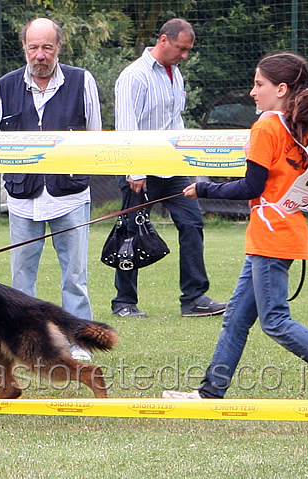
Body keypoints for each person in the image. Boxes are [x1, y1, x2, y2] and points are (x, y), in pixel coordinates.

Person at [163, 52, 308, 400]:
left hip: (271, 237)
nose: (252, 92)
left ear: (281, 88)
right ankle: (210, 393)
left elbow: (251, 187)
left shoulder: (267, 126)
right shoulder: (305, 129)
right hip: (283, 231)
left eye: (258, 84)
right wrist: (297, 192)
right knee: (236, 318)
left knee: (274, 321)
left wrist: (203, 189)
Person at [0, 18, 102, 361]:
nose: (40, 55)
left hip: (69, 195)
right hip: (23, 198)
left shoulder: (83, 81)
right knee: (20, 280)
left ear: (58, 47)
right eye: (33, 47)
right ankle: (23, 344)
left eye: (46, 47)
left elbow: (95, 137)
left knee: (74, 276)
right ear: (24, 48)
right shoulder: (5, 86)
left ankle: (78, 343)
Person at [111, 18, 226, 319]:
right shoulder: (133, 76)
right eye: (181, 48)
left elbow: (176, 122)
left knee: (192, 224)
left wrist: (186, 159)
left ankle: (194, 299)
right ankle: (124, 302)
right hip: (141, 171)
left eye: (188, 50)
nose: (185, 55)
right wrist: (134, 169)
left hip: (173, 168)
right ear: (163, 40)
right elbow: (126, 124)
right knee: (130, 234)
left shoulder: (176, 74)